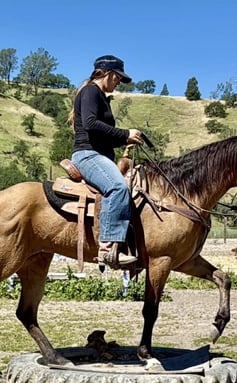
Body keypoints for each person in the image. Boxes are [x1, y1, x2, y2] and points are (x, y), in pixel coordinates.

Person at [69, 55, 142, 269]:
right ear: (107, 74)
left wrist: (126, 140)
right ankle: (107, 249)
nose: (119, 82)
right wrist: (125, 133)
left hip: (98, 154)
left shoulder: (100, 96)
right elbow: (91, 124)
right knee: (117, 187)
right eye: (118, 77)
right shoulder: (91, 91)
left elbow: (103, 135)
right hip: (88, 155)